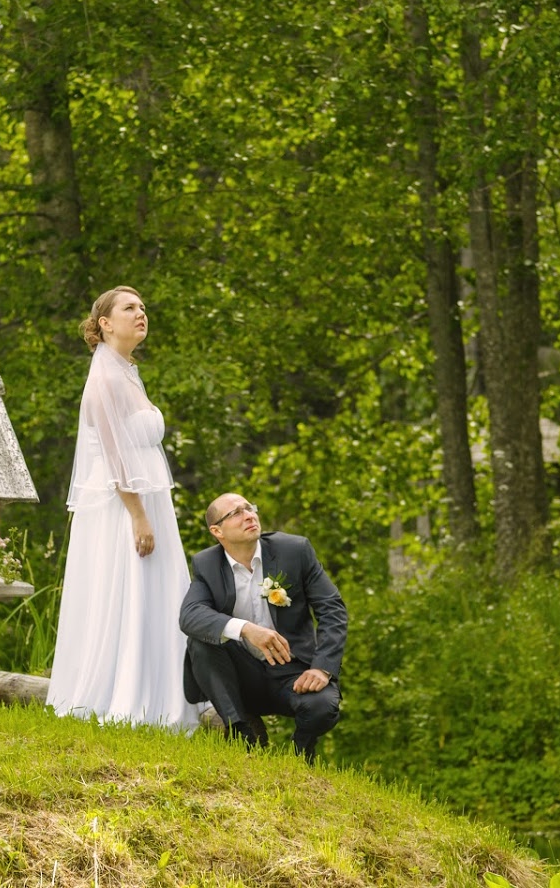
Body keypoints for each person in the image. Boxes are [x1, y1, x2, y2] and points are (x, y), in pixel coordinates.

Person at [46, 286, 198, 731]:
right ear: (105, 324)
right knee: (129, 589)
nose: (141, 313)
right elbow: (114, 457)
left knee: (155, 591)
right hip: (124, 506)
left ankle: (164, 689)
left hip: (147, 498)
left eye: (144, 307)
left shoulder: (128, 371)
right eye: (130, 308)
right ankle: (127, 693)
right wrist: (138, 515)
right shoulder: (106, 378)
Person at [179, 493, 347, 761]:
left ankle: (300, 754)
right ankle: (243, 735)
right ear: (217, 531)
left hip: (293, 673)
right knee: (201, 641)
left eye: (249, 508)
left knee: (322, 707)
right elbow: (190, 616)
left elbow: (332, 610)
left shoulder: (295, 550)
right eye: (235, 513)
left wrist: (322, 667)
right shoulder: (207, 564)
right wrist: (246, 629)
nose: (248, 515)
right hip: (241, 677)